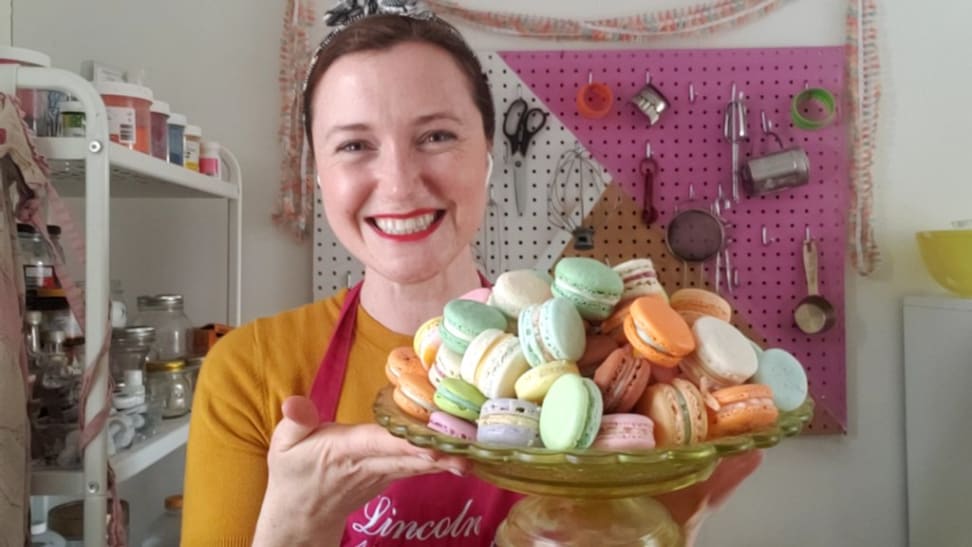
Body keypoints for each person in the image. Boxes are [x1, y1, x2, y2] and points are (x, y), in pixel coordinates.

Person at [182, 8, 760, 546]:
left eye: (436, 136)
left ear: (488, 154)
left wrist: (671, 514)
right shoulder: (249, 371)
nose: (400, 184)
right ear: (316, 175)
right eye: (355, 145)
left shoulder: (614, 373)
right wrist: (295, 524)